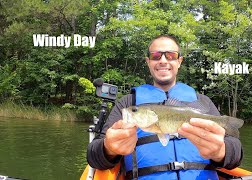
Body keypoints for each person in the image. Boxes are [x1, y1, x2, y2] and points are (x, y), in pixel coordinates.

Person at [87, 35, 243, 180]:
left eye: (170, 55)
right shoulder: (128, 103)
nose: (163, 60)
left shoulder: (202, 102)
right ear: (148, 61)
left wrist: (221, 151)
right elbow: (93, 155)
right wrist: (109, 148)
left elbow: (236, 153)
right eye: (156, 56)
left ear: (179, 61)